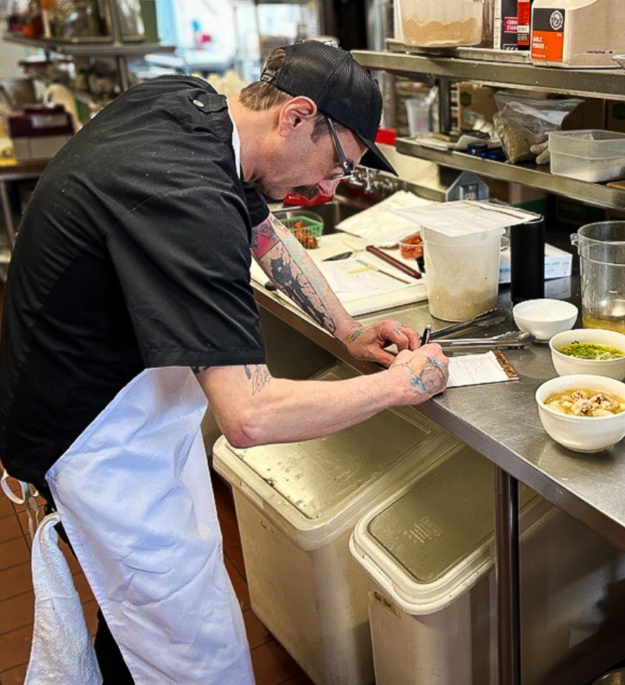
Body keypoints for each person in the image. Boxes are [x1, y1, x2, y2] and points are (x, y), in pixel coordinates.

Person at [0, 41, 448, 684]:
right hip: (93, 432)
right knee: (186, 642)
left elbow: (262, 233)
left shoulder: (191, 105)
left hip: (125, 395)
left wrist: (347, 331)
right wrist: (403, 385)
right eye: (335, 164)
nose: (328, 187)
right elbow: (251, 418)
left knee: (147, 603)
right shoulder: (190, 199)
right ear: (296, 115)